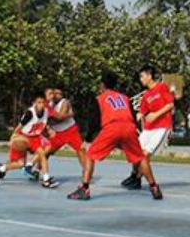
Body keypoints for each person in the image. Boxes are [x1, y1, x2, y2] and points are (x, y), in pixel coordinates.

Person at [68, 72, 161, 201]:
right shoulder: (125, 97)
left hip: (112, 127)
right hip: (129, 127)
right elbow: (134, 116)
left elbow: (94, 121)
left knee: (89, 155)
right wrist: (132, 132)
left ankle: (84, 189)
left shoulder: (100, 98)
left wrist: (88, 139)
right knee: (140, 157)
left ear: (102, 85)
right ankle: (154, 187)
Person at [121, 66, 173, 190]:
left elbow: (170, 104)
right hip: (148, 129)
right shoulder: (146, 95)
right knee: (135, 152)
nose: (141, 79)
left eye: (142, 76)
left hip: (161, 127)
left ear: (149, 76)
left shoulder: (162, 87)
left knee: (144, 156)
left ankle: (138, 179)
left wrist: (155, 115)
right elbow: (141, 113)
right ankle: (134, 176)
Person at [0, 94, 58, 189]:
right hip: (23, 137)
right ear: (34, 103)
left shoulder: (46, 112)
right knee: (20, 164)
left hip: (35, 137)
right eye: (39, 102)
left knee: (44, 152)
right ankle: (1, 169)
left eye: (43, 102)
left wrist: (49, 129)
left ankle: (45, 179)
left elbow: (42, 123)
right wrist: (12, 138)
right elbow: (19, 127)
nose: (41, 105)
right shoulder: (30, 113)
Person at [45, 87, 87, 170]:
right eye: (55, 93)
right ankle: (36, 170)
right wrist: (69, 115)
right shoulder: (49, 104)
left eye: (60, 94)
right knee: (48, 151)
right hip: (58, 133)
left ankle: (86, 170)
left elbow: (60, 118)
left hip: (70, 130)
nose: (57, 96)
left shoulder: (65, 102)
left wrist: (51, 119)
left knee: (80, 150)